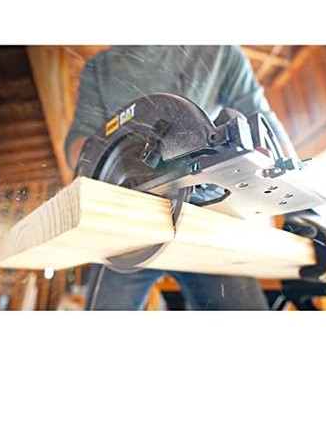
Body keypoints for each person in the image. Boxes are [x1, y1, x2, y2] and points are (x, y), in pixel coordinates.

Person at [65, 45, 296, 311]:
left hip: (205, 215)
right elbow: (80, 146)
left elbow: (265, 127)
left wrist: (300, 210)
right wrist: (124, 154)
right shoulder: (100, 67)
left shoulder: (220, 51)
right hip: (127, 218)